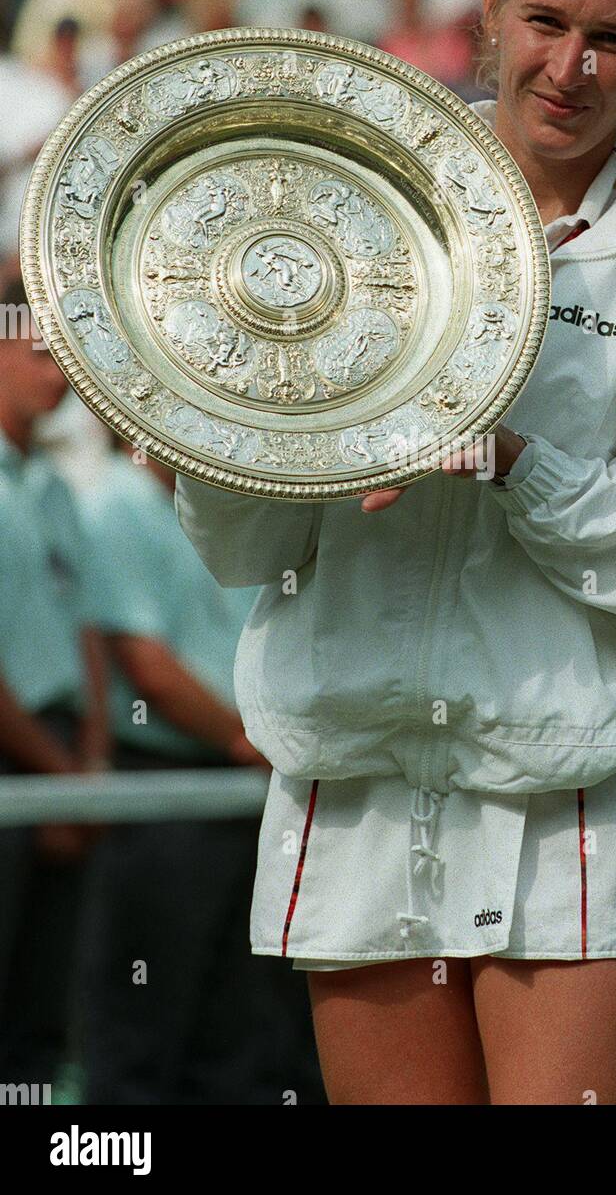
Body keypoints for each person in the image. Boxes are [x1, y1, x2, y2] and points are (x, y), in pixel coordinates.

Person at [174, 0, 616, 1106]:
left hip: (579, 796)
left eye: (611, 39)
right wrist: (225, 410)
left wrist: (509, 458)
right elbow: (243, 546)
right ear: (492, 10)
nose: (568, 68)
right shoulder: (345, 210)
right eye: (546, 22)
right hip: (352, 783)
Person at [75, 435, 324, 1104]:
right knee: (147, 1013)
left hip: (248, 785)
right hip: (170, 790)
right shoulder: (117, 505)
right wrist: (253, 742)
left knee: (239, 1021)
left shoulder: (230, 508)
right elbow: (147, 664)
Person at [0, 269, 108, 1088]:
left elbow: (89, 638)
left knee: (43, 1011)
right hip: (24, 761)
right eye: (40, 353)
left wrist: (91, 773)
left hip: (62, 760)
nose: (59, 375)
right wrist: (64, 776)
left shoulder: (54, 486)